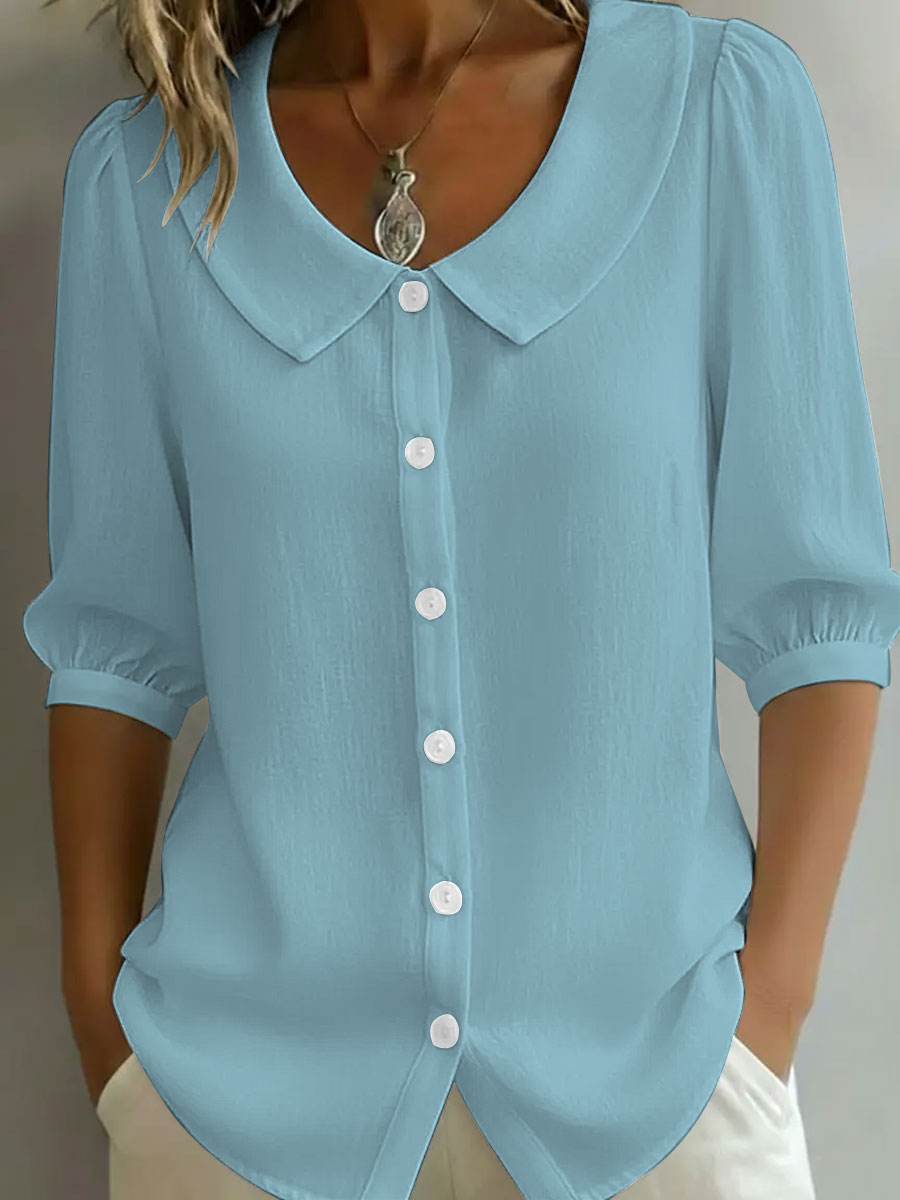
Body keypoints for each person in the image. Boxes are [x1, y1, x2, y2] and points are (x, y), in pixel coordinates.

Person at [22, 0, 900, 1198]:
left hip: (662, 1102)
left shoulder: (713, 115)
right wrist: (108, 1038)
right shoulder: (150, 177)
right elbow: (116, 645)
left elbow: (818, 604)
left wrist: (766, 1018)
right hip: (240, 1120)